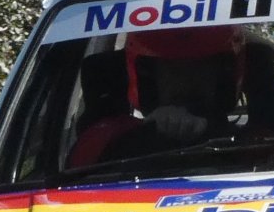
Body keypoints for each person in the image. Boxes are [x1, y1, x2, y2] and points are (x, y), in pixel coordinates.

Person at [67, 26, 247, 167]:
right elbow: (78, 172)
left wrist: (214, 132)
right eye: (173, 71)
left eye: (201, 69)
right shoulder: (105, 138)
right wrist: (142, 136)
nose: (187, 81)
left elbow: (266, 154)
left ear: (224, 76)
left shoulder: (256, 142)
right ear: (148, 78)